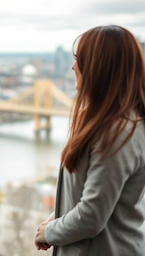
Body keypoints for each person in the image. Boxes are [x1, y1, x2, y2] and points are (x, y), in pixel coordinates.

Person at [35, 25, 145, 256]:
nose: (73, 66)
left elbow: (92, 215)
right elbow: (93, 195)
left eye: (79, 59)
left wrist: (51, 232)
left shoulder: (117, 131)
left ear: (99, 67)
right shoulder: (107, 122)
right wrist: (56, 221)